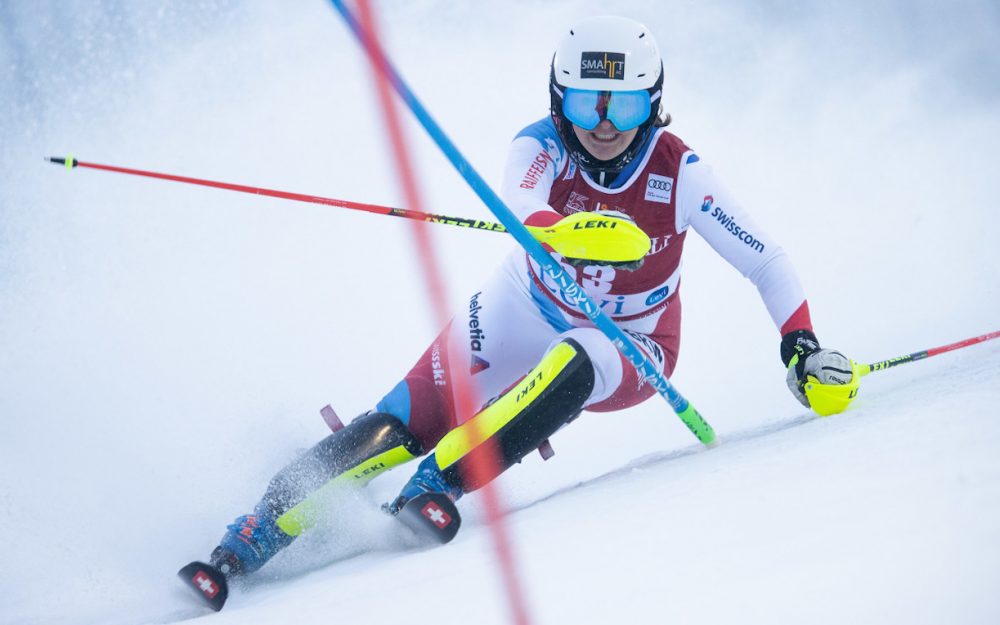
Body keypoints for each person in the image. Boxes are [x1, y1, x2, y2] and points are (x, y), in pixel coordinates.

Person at [201, 15, 857, 579]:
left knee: (579, 353)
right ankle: (253, 534)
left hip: (635, 340)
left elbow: (765, 259)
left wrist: (800, 348)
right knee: (401, 420)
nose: (603, 125)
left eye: (623, 107)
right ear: (557, 100)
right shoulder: (538, 145)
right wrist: (564, 232)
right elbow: (524, 202)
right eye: (584, 104)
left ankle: (437, 485)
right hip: (523, 304)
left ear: (652, 104)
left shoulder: (679, 171)